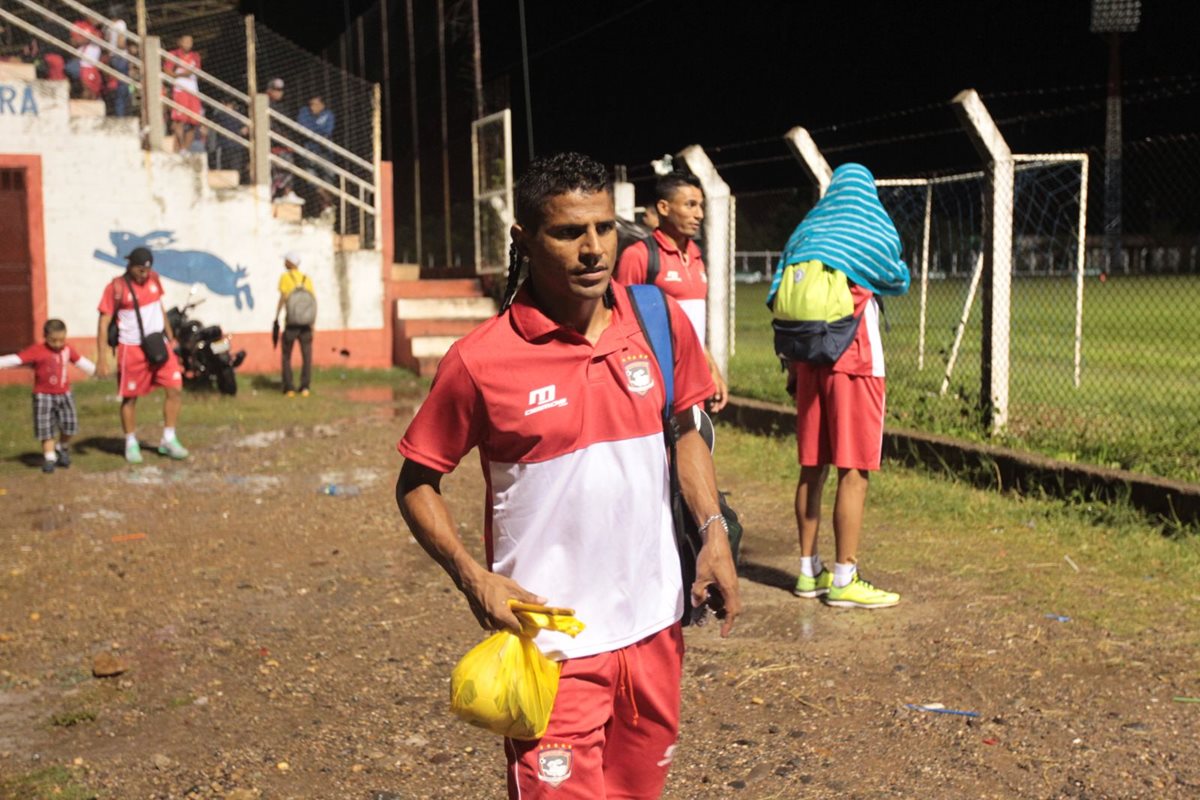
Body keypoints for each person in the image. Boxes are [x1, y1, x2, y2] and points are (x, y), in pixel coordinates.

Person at [395, 152, 741, 799]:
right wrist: (474, 579)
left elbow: (685, 431)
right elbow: (415, 482)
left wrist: (713, 533)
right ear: (523, 241)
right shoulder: (480, 361)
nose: (592, 249)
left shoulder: (658, 322)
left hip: (654, 633)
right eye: (567, 232)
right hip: (550, 649)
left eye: (604, 228)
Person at [768, 163, 910, 609]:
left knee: (813, 466)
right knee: (855, 467)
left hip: (807, 361)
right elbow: (896, 275)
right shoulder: (869, 223)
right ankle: (845, 577)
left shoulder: (806, 230)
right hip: (854, 359)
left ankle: (809, 573)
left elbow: (777, 291)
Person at [616, 171, 728, 412]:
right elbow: (619, 324)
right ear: (664, 207)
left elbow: (693, 328)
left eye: (701, 206)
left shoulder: (697, 257)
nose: (699, 214)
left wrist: (711, 370)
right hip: (656, 381)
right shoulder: (639, 256)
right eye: (690, 205)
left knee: (696, 445)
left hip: (692, 380)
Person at [95, 246, 189, 464]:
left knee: (175, 389)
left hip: (159, 344)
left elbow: (159, 306)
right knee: (130, 398)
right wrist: (102, 358)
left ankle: (168, 439)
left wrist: (169, 334)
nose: (144, 274)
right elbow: (104, 322)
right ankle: (130, 442)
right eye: (140, 270)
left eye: (147, 270)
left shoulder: (154, 279)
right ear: (130, 266)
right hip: (132, 348)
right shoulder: (116, 288)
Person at [0, 319, 97, 473]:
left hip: (64, 394)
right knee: (45, 427)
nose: (58, 344)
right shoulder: (37, 350)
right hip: (43, 396)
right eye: (54, 341)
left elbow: (80, 362)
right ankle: (50, 457)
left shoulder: (67, 350)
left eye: (61, 340)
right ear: (45, 337)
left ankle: (62, 447)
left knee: (70, 425)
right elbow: (17, 359)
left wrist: (97, 371)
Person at [274, 251, 315, 397]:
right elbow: (313, 302)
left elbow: (283, 298)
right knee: (307, 356)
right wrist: (312, 324)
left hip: (291, 323)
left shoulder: (285, 278)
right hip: (306, 324)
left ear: (291, 263)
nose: (284, 263)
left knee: (286, 355)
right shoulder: (306, 279)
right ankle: (305, 388)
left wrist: (277, 316)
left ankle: (289, 388)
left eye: (286, 260)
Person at [296, 95, 336, 218]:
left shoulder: (328, 114)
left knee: (329, 179)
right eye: (311, 104)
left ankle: (327, 208)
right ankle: (325, 204)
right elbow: (302, 128)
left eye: (315, 104)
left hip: (325, 153)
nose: (312, 107)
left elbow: (327, 132)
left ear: (322, 105)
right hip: (309, 151)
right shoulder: (304, 112)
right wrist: (315, 131)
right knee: (312, 181)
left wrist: (313, 130)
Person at [165, 34, 202, 152]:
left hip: (193, 91)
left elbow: (195, 71)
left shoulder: (195, 56)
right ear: (179, 42)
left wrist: (182, 73)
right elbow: (167, 70)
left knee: (193, 123)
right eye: (185, 41)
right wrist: (180, 74)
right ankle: (180, 147)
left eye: (190, 41)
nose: (188, 43)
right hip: (180, 91)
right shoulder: (174, 54)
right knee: (179, 121)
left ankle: (185, 149)